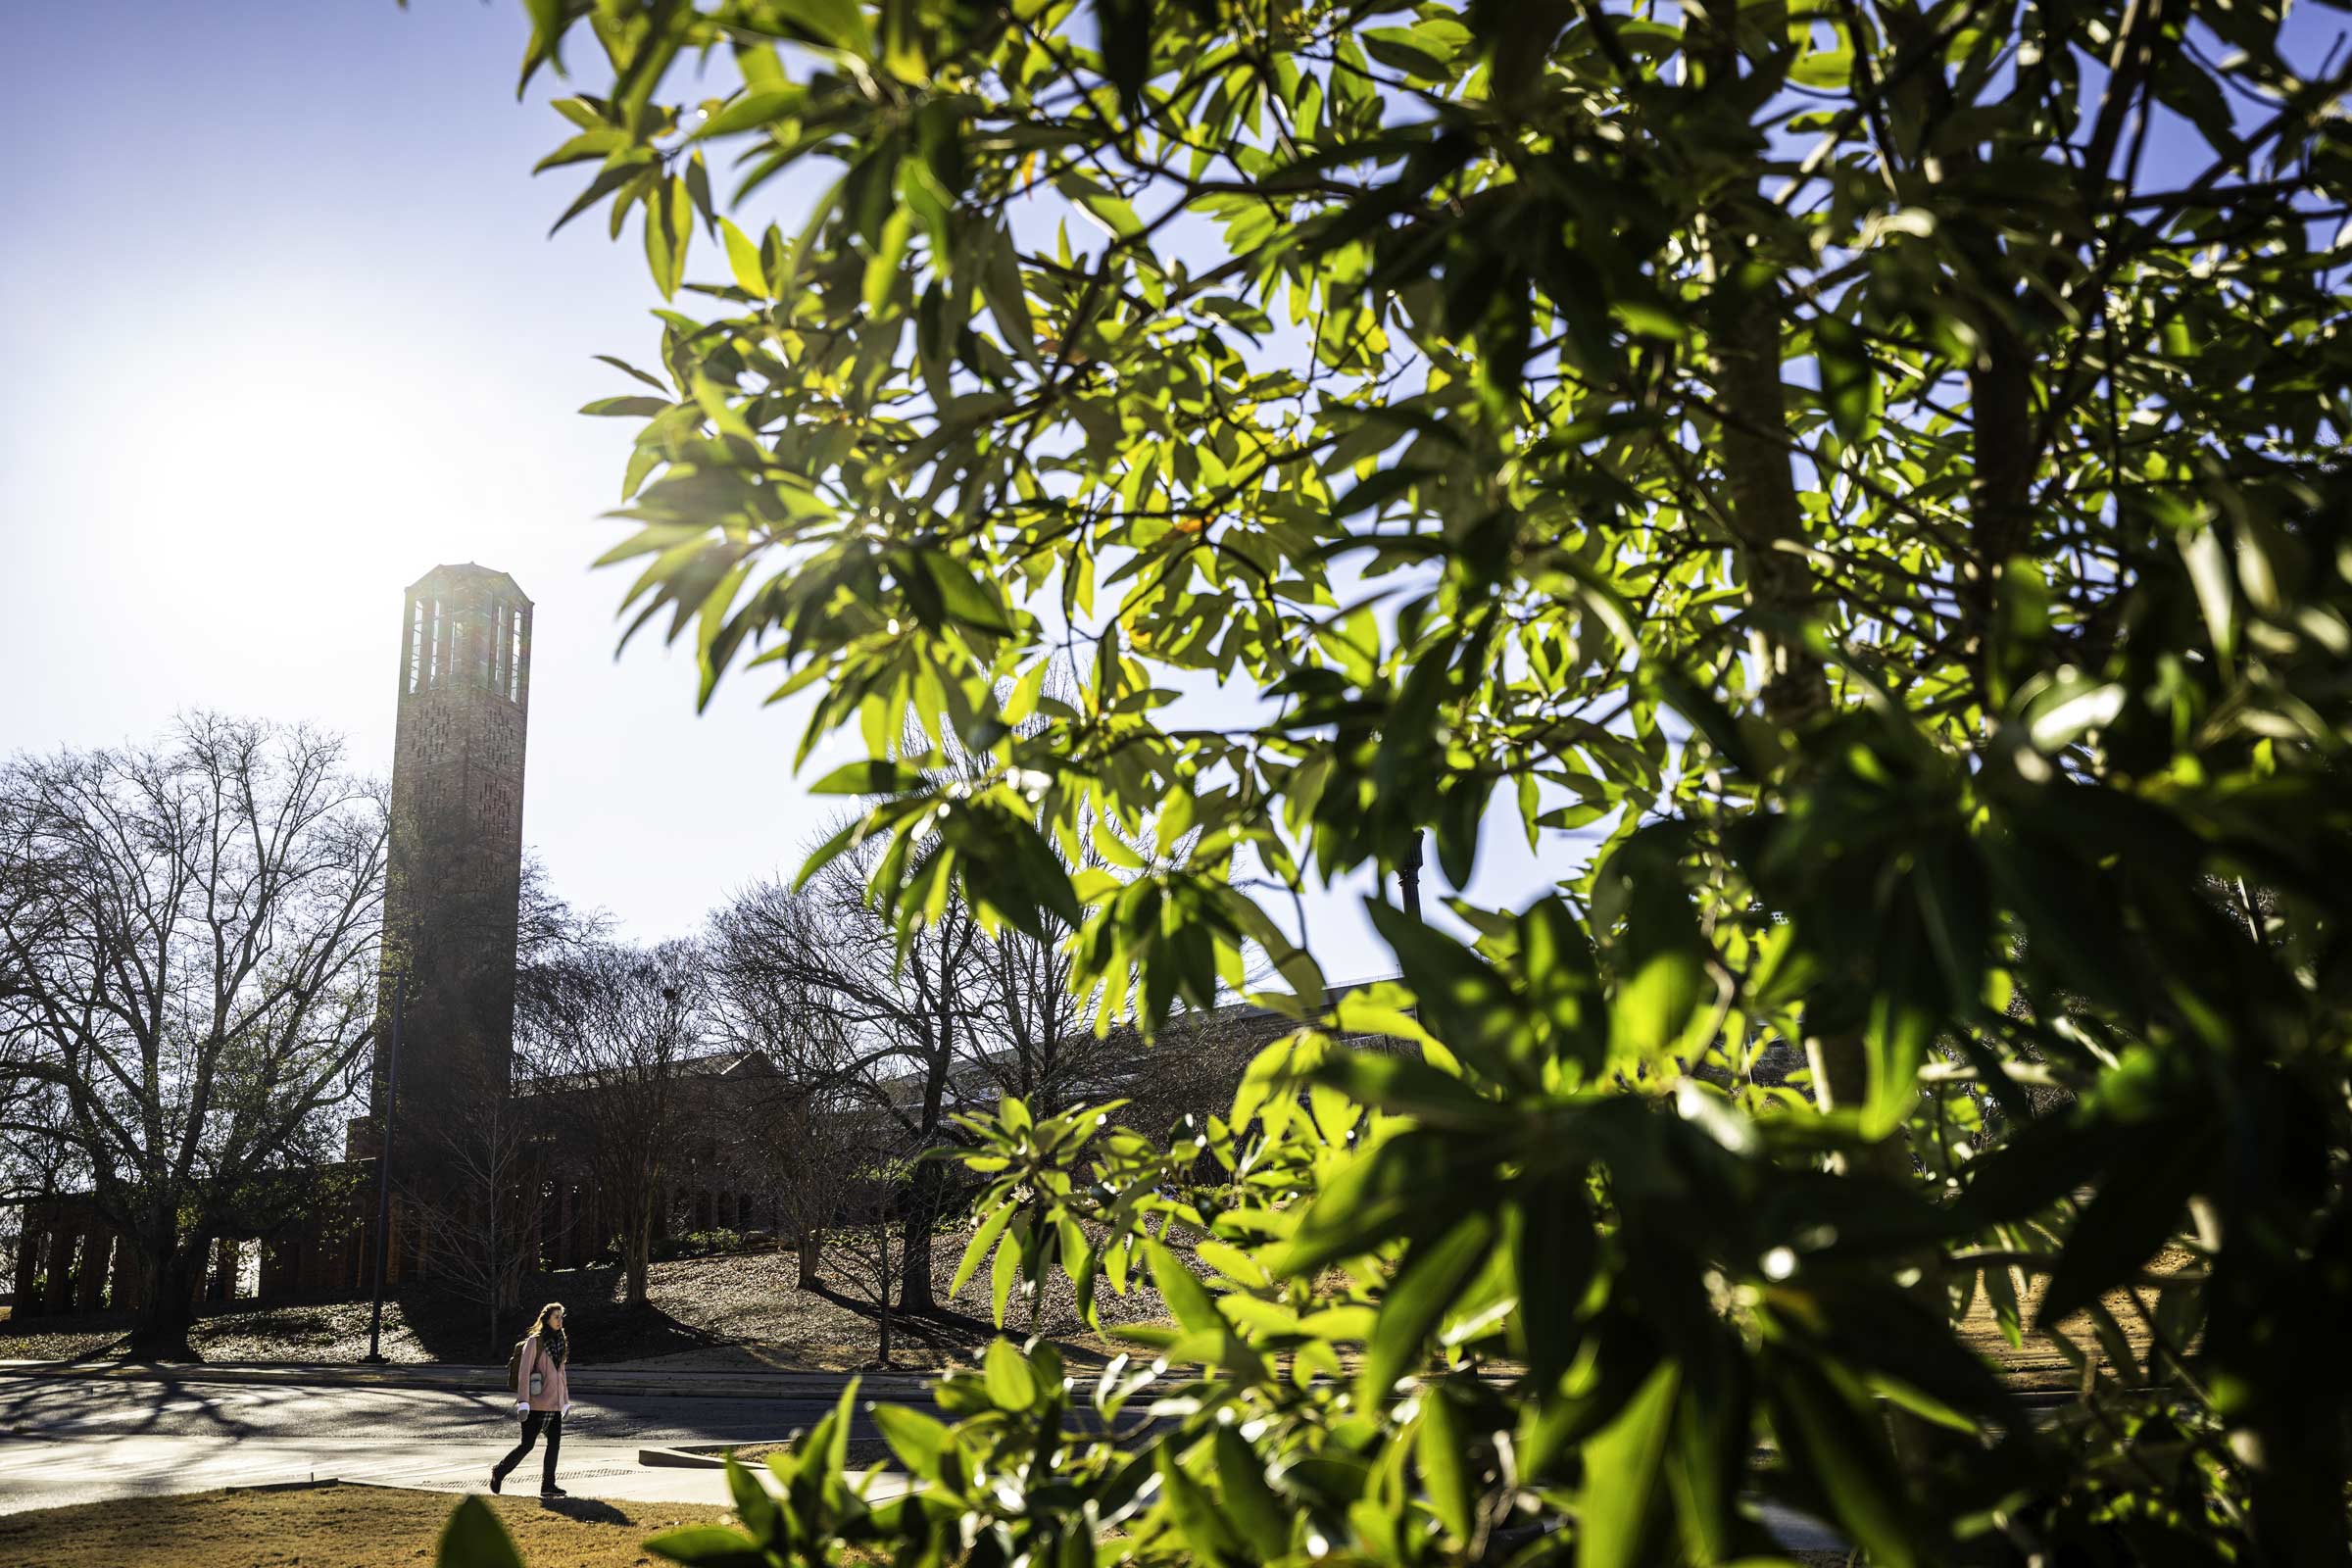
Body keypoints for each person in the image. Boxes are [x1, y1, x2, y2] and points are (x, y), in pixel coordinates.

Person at [490, 1302, 572, 1497]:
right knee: (527, 1445)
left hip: (554, 1403)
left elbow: (561, 1373)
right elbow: (524, 1372)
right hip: (535, 1404)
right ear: (546, 1319)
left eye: (561, 1317)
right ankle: (499, 1471)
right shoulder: (534, 1342)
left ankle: (548, 1485)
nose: (560, 1321)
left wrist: (565, 1402)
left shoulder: (561, 1340)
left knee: (554, 1444)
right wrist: (523, 1402)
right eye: (556, 1317)